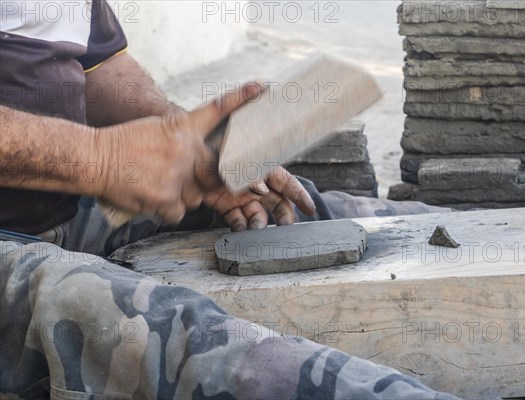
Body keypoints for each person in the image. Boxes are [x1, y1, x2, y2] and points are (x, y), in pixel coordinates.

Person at [0, 1, 457, 398]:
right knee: (181, 340)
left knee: (301, 215)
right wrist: (101, 157)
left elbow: (100, 68)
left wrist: (188, 145)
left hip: (70, 203)